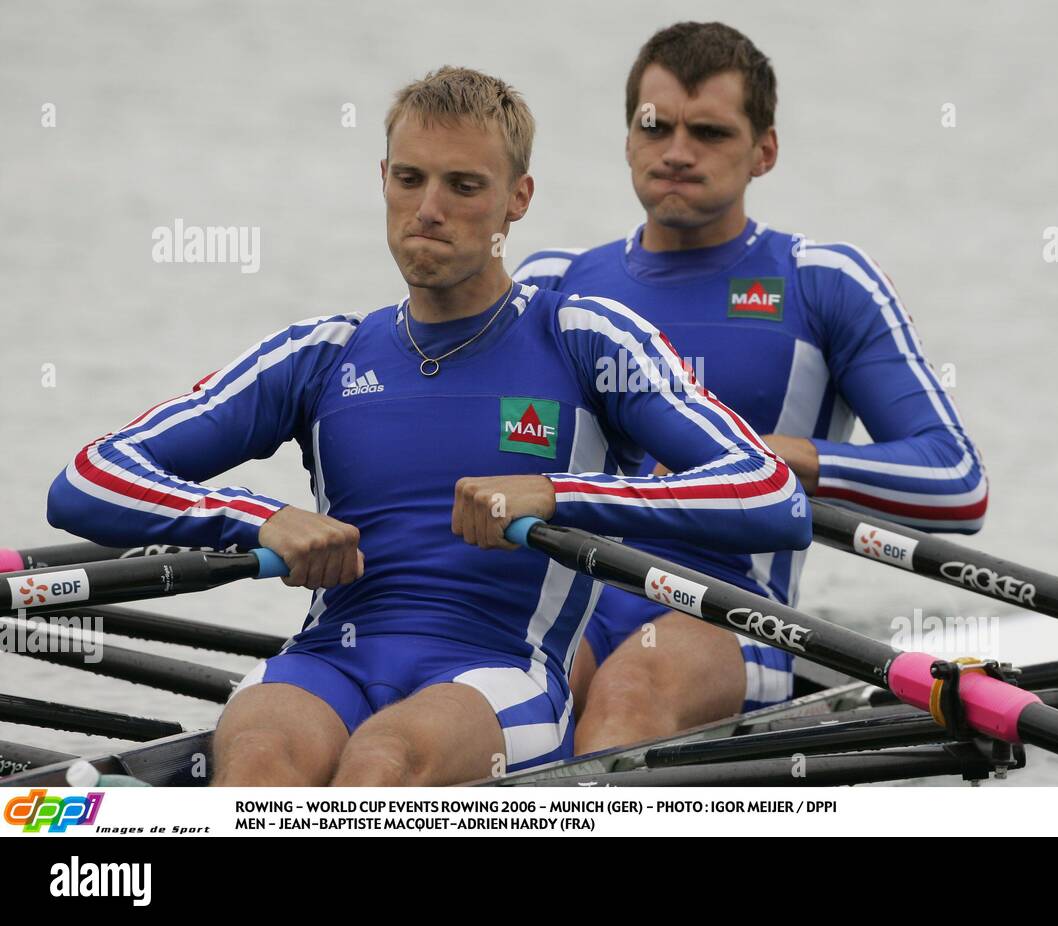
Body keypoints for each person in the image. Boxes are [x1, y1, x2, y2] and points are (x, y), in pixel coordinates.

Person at [46, 65, 810, 786]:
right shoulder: (324, 354)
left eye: (463, 185)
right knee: (255, 759)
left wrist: (555, 495)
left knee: (382, 763)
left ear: (518, 198)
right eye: (409, 179)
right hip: (327, 658)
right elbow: (86, 483)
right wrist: (255, 518)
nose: (429, 208)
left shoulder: (583, 338)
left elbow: (771, 495)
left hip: (499, 671)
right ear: (383, 179)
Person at [514, 22, 988, 754]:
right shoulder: (554, 284)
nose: (676, 151)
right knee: (489, 695)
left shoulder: (824, 283)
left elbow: (956, 486)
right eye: (655, 126)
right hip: (574, 594)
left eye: (708, 132)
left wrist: (780, 461)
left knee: (629, 694)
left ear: (763, 151)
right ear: (628, 139)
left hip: (732, 614)